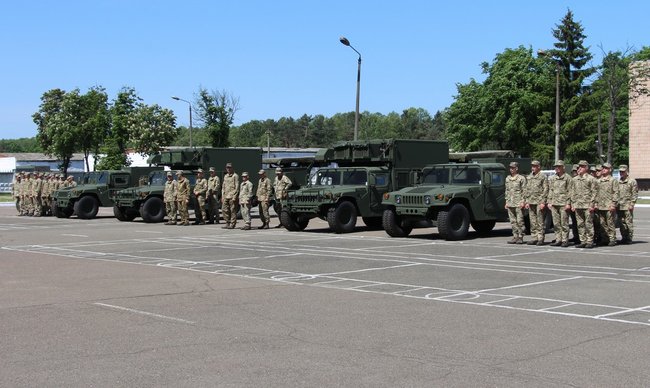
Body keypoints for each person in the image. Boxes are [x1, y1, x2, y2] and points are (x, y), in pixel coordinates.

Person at [570, 160, 597, 248]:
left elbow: (594, 192)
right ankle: (583, 241)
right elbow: (572, 192)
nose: (580, 168)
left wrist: (592, 204)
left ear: (586, 168)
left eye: (582, 167)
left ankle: (589, 241)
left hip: (587, 205)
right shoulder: (575, 179)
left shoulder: (591, 179)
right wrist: (573, 204)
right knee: (580, 224)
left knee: (588, 224)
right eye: (579, 167)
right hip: (578, 205)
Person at [547, 160, 572, 247]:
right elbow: (551, 190)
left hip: (563, 204)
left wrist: (568, 203)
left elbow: (570, 191)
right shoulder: (553, 178)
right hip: (554, 203)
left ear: (563, 167)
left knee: (564, 223)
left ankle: (565, 240)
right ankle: (558, 239)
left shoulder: (567, 178)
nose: (556, 168)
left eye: (558, 166)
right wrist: (549, 201)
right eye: (555, 167)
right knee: (556, 223)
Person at [524, 160, 548, 245]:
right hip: (531, 202)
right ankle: (534, 237)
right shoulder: (529, 176)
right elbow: (526, 189)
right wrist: (526, 201)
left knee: (540, 221)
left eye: (534, 166)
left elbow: (545, 189)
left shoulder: (543, 177)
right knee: (532, 221)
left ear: (539, 167)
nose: (533, 168)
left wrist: (543, 202)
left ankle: (540, 238)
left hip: (539, 202)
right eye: (532, 166)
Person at [505, 161, 526, 244]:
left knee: (520, 221)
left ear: (516, 168)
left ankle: (521, 236)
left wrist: (523, 202)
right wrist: (506, 201)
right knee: (513, 221)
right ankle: (515, 236)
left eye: (513, 168)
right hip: (510, 202)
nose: (511, 169)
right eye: (510, 168)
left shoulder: (521, 178)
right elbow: (507, 191)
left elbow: (524, 191)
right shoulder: (508, 178)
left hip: (518, 203)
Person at [617, 164, 638, 244]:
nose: (621, 173)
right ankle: (624, 237)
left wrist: (632, 204)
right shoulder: (618, 181)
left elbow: (634, 193)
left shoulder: (632, 181)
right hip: (620, 205)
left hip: (627, 205)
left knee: (628, 222)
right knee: (621, 223)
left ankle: (629, 238)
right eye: (620, 171)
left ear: (627, 172)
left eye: (623, 171)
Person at [221, 162, 239, 229]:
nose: (228, 169)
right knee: (224, 209)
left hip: (232, 196)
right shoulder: (225, 176)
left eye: (229, 167)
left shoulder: (235, 176)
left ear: (232, 168)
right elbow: (223, 186)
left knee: (233, 210)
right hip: (226, 196)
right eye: (227, 167)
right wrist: (222, 196)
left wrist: (235, 196)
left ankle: (232, 224)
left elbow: (237, 187)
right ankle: (227, 222)